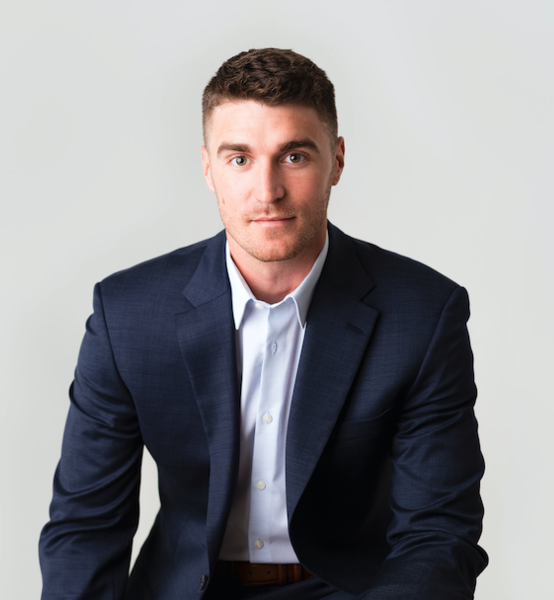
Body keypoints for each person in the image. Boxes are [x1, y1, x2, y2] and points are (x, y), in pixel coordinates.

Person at [39, 48, 487, 600]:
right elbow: (85, 525)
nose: (268, 191)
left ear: (337, 161)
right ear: (208, 167)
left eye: (294, 156)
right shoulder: (127, 315)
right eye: (239, 159)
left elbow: (438, 532)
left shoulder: (421, 315)